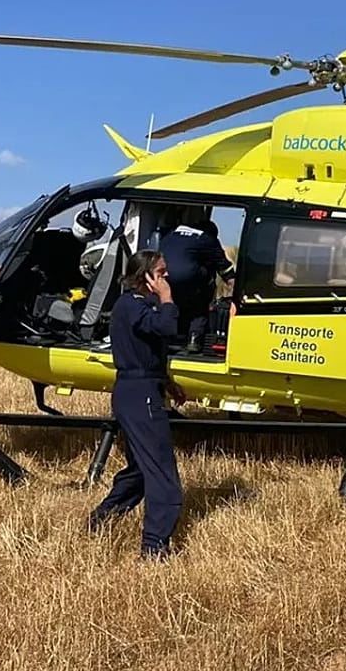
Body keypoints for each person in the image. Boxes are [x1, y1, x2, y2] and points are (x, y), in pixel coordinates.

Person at [87, 249, 188, 559]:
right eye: (161, 273)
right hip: (139, 394)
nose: (166, 278)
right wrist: (168, 298)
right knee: (162, 473)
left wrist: (168, 381)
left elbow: (147, 348)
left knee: (141, 470)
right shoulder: (133, 305)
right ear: (145, 276)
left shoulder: (136, 306)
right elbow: (166, 327)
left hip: (140, 390)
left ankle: (102, 519)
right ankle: (155, 546)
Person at [158, 218, 235, 351]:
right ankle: (195, 337)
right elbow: (224, 267)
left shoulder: (170, 233)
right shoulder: (207, 239)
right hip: (188, 279)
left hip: (162, 278)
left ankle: (170, 336)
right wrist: (233, 289)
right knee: (202, 291)